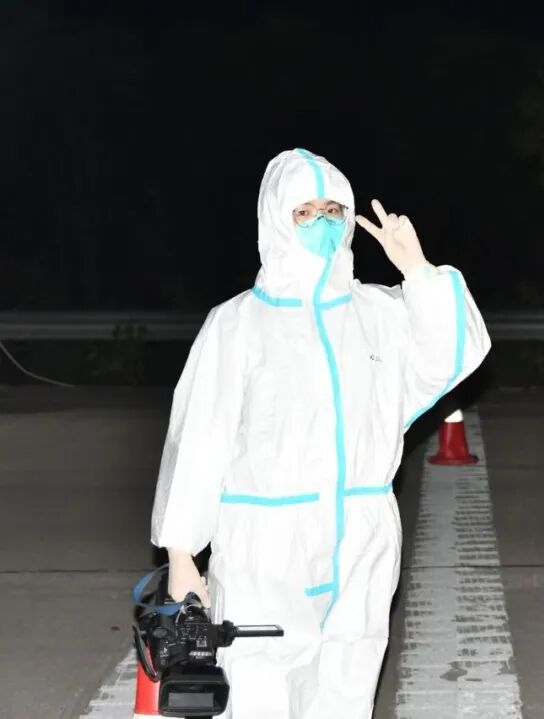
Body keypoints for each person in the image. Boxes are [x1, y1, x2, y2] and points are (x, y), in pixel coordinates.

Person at [150, 148, 490, 718]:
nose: (323, 223)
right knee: (259, 692)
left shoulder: (378, 313)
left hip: (363, 540)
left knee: (347, 691)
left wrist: (420, 272)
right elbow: (200, 441)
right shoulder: (238, 323)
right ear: (275, 219)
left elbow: (455, 352)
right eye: (305, 212)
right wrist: (183, 555)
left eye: (333, 210)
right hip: (265, 547)